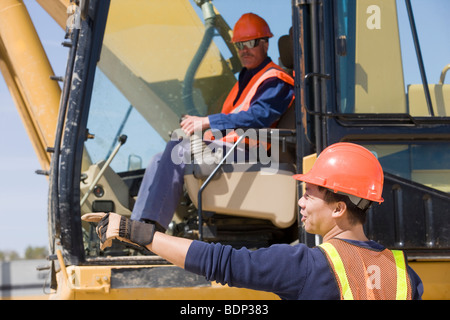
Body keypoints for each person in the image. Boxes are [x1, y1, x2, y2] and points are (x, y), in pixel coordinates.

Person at [83, 142, 423, 300]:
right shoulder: (406, 276)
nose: (301, 202)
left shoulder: (307, 265)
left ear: (338, 208)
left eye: (310, 194)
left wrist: (137, 232)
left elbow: (221, 262)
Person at [130, 12, 295, 231]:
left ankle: (150, 232)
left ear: (265, 44)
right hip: (234, 149)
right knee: (160, 158)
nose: (244, 50)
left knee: (179, 150)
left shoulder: (275, 79)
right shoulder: (246, 80)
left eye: (250, 42)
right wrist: (204, 131)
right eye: (239, 45)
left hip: (255, 154)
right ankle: (137, 226)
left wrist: (207, 122)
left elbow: (260, 117)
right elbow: (231, 122)